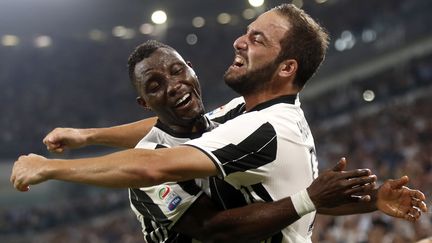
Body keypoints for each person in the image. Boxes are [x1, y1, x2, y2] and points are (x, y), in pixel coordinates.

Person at [11, 4, 427, 242]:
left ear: (286, 67)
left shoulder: (259, 129)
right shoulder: (238, 116)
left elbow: (163, 172)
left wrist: (49, 168)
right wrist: (88, 136)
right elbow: (167, 133)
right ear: (145, 101)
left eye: (257, 38)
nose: (239, 41)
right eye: (156, 85)